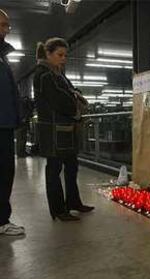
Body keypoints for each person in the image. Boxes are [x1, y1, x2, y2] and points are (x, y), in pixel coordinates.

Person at [33, 37, 94, 221]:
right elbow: (61, 100)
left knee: (71, 166)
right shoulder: (44, 74)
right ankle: (58, 210)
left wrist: (74, 95)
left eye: (65, 55)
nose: (63, 58)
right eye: (60, 55)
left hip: (64, 130)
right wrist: (75, 103)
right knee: (54, 169)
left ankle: (73, 202)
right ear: (48, 54)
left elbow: (72, 92)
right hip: (54, 131)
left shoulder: (57, 73)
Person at [0, 9, 25, 235]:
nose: (6, 30)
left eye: (7, 25)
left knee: (6, 172)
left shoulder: (2, 56)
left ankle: (1, 219)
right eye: (2, 25)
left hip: (5, 123)